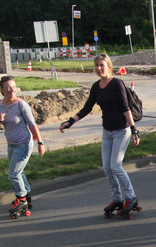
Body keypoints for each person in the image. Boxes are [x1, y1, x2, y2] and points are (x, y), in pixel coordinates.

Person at [60, 54, 140, 215]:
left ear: (109, 67)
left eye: (102, 65)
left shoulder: (117, 84)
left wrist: (134, 130)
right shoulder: (96, 86)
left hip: (121, 130)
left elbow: (126, 108)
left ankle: (131, 197)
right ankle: (117, 199)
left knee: (115, 166)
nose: (99, 68)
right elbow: (87, 108)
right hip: (107, 131)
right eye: (96, 65)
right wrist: (70, 122)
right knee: (107, 167)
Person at [0, 75, 45, 215]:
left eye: (14, 87)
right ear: (2, 89)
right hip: (11, 144)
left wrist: (40, 143)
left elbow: (32, 124)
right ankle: (27, 196)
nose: (12, 90)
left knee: (13, 174)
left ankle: (21, 199)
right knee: (18, 172)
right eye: (8, 87)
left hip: (24, 144)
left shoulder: (21, 105)